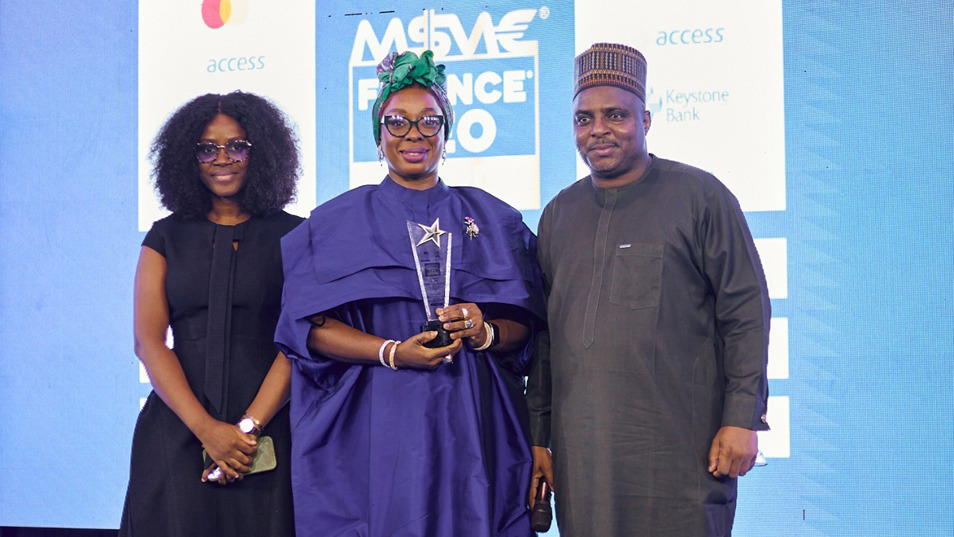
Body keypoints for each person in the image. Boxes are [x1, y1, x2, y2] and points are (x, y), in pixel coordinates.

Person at [275, 50, 545, 537]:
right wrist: (392, 352)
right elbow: (308, 331)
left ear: (447, 131)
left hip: (474, 423)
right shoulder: (337, 222)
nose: (414, 134)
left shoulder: (494, 219)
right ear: (378, 134)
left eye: (429, 121)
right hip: (376, 424)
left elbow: (526, 328)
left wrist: (484, 331)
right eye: (397, 121)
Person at [526, 43, 771, 537]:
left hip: (682, 447)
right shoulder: (558, 215)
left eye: (615, 115)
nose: (598, 129)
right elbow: (546, 338)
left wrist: (742, 418)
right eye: (584, 118)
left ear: (646, 120)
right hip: (584, 457)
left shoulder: (700, 196)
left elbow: (745, 312)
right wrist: (538, 437)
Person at [121, 91, 301, 536]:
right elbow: (148, 342)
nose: (223, 158)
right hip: (178, 428)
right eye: (207, 148)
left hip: (270, 432)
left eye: (237, 146)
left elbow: (297, 341)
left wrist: (246, 430)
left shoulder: (297, 236)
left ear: (262, 152)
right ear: (189, 157)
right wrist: (207, 430)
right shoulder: (164, 237)